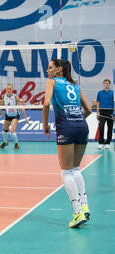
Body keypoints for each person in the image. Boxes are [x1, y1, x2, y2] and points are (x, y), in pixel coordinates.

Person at [42, 59, 92, 228]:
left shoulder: (51, 82)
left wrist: (45, 124)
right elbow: (89, 110)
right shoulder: (75, 85)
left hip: (67, 128)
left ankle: (77, 212)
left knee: (66, 171)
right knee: (75, 168)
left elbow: (46, 103)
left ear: (58, 71)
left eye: (50, 68)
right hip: (82, 126)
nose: (47, 71)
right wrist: (76, 120)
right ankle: (85, 206)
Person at [0, 84, 29, 150]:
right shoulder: (3, 96)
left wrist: (26, 118)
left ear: (12, 89)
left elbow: (21, 107)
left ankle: (16, 144)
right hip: (8, 115)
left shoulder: (15, 97)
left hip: (15, 115)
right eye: (7, 88)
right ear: (6, 89)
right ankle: (5, 142)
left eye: (10, 89)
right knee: (4, 131)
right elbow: (3, 104)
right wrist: (0, 111)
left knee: (12, 131)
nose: (9, 90)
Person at [96, 79, 114, 149]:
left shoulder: (113, 92)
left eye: (107, 83)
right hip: (102, 112)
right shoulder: (100, 93)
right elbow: (98, 103)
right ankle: (101, 142)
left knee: (110, 128)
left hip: (110, 112)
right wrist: (97, 113)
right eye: (105, 83)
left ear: (109, 84)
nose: (106, 84)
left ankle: (108, 143)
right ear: (103, 84)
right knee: (101, 127)